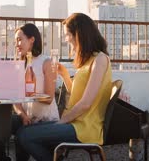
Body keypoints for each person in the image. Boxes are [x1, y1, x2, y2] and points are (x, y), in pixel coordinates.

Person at [16, 13, 113, 161]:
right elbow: (76, 93)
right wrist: (65, 74)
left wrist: (63, 120)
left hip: (84, 128)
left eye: (67, 34)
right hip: (75, 124)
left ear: (79, 34)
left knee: (25, 136)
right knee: (23, 130)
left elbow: (85, 103)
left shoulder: (100, 59)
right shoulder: (87, 61)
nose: (66, 39)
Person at [0, 23, 59, 161]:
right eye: (15, 41)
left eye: (20, 39)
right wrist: (22, 114)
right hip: (27, 117)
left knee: (21, 134)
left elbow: (49, 98)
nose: (17, 44)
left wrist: (30, 95)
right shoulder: (18, 64)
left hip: (45, 120)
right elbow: (16, 100)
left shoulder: (46, 62)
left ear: (32, 39)